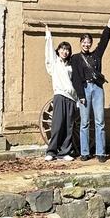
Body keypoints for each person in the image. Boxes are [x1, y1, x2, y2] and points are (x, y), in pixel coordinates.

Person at [71, 16, 110, 163]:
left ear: (91, 44)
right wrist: (80, 94)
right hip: (84, 89)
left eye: (88, 42)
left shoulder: (96, 55)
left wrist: (108, 27)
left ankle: (101, 152)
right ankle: (85, 152)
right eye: (84, 42)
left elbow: (103, 43)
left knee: (100, 121)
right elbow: (76, 78)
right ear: (80, 43)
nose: (86, 44)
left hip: (97, 89)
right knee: (84, 122)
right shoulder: (76, 58)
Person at [41, 23, 77, 162]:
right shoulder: (55, 63)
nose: (65, 52)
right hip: (60, 96)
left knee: (69, 127)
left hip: (72, 98)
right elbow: (49, 51)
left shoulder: (71, 66)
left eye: (67, 50)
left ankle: (64, 152)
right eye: (62, 49)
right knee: (57, 125)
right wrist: (47, 32)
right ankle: (51, 151)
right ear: (58, 51)